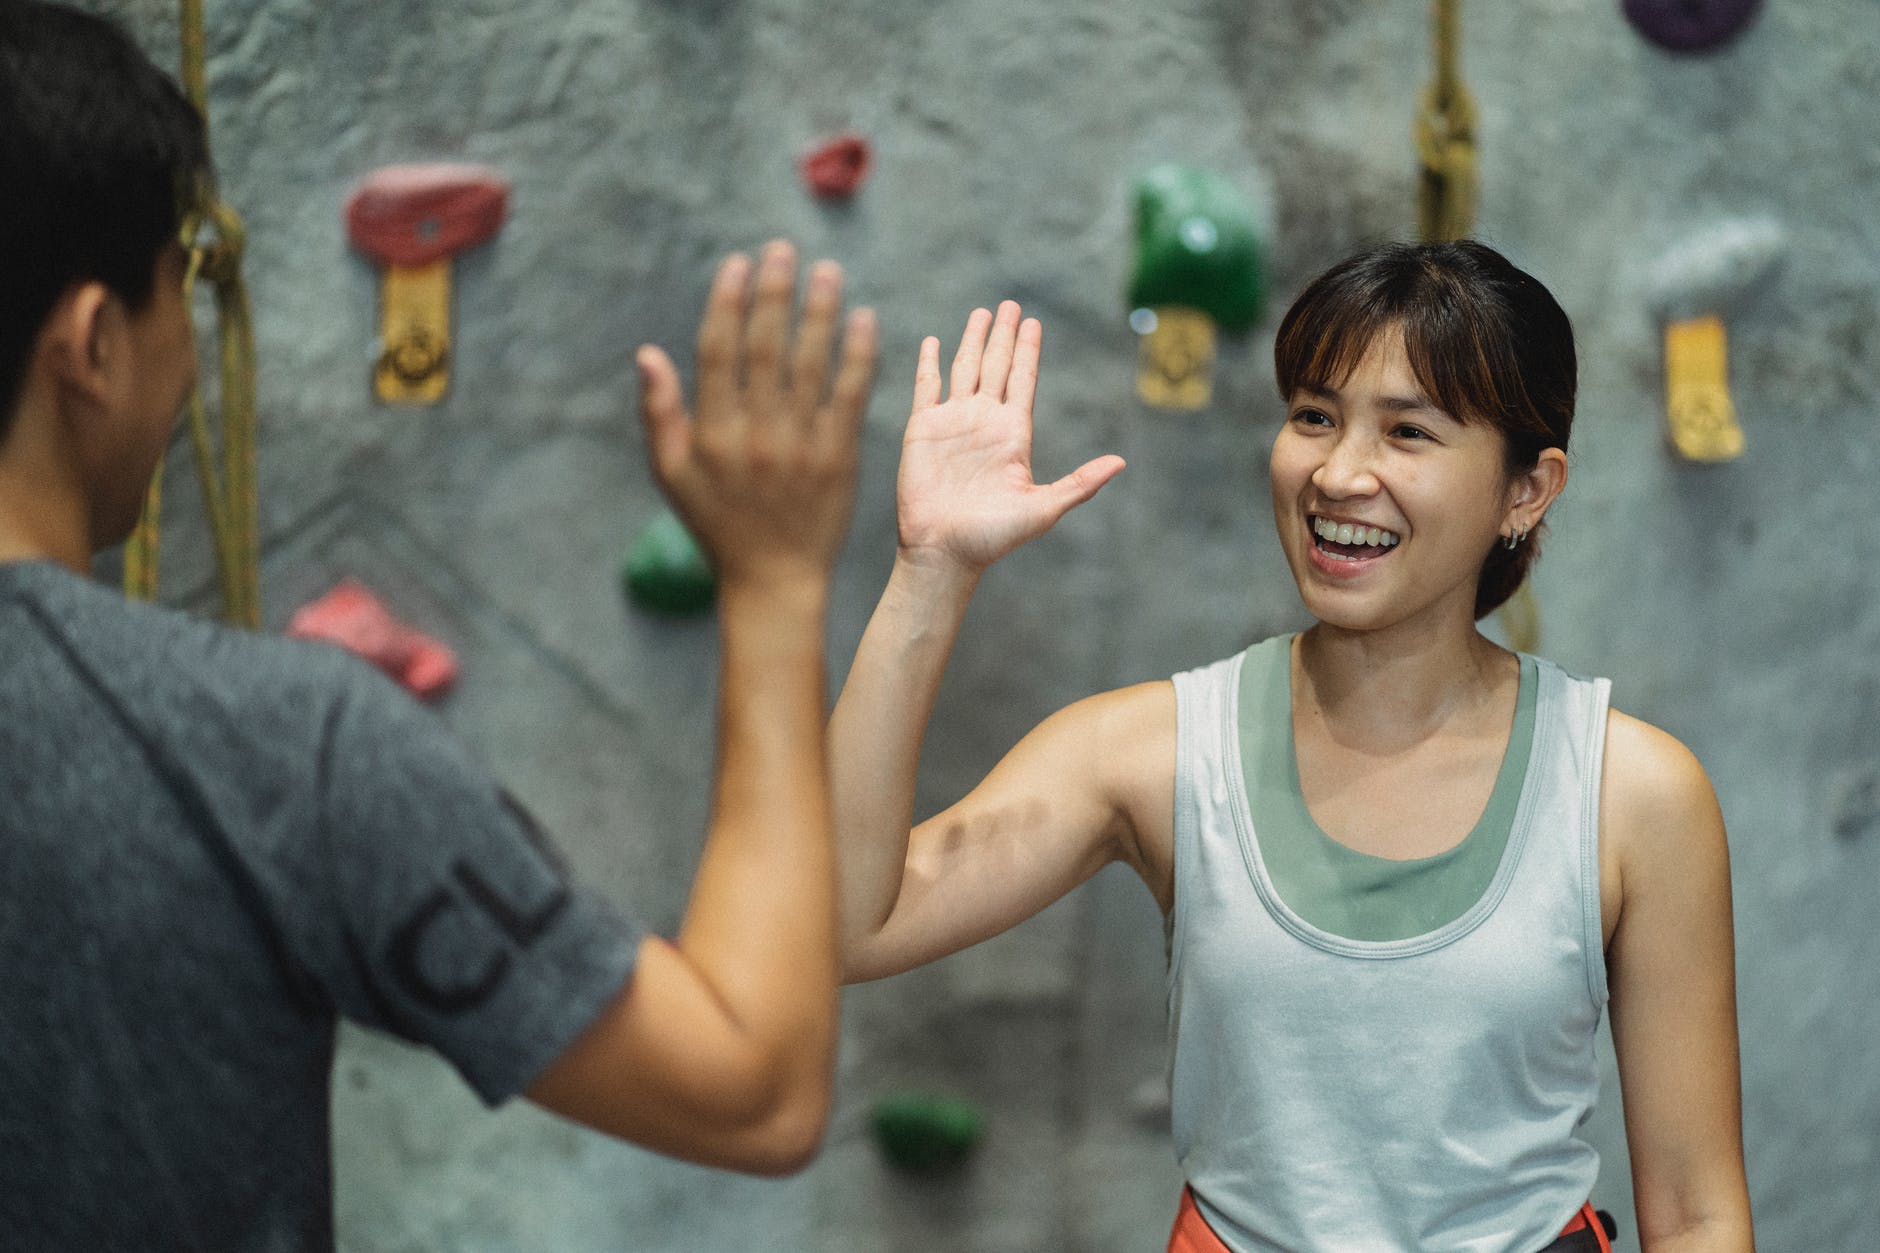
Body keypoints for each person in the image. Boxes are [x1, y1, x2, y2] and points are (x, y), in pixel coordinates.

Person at [0, 3, 877, 1247]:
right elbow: (753, 1086)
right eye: (177, 293)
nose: (188, 352)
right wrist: (778, 584)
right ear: (92, 344)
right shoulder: (279, 751)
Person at [829, 241, 1754, 1251]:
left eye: (1406, 430)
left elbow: (1698, 1213)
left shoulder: (1631, 792)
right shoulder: (1150, 751)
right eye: (1313, 416)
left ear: (1525, 490)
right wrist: (930, 570)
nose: (1337, 472)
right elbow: (842, 925)